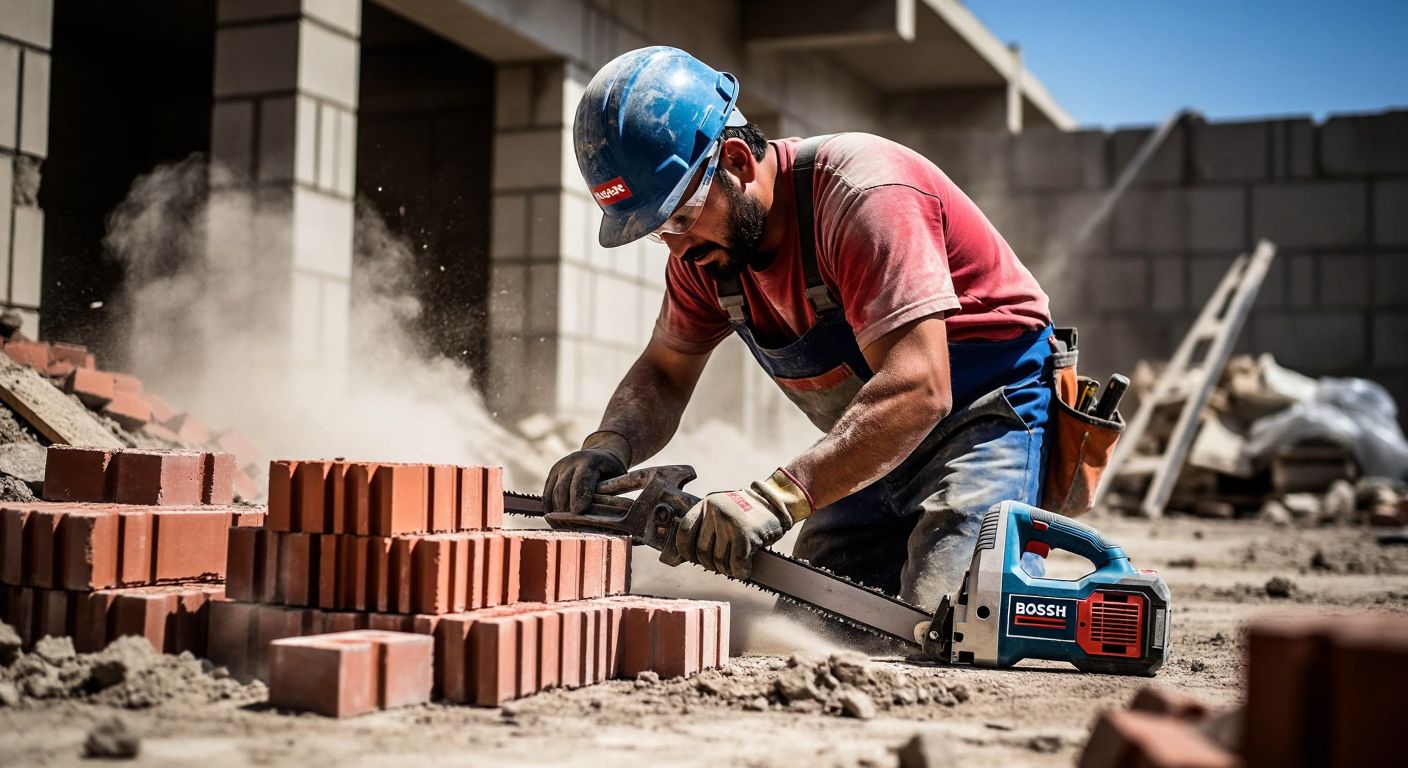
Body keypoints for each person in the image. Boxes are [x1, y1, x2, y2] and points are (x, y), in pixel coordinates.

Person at [544, 46, 1054, 610]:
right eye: (658, 232)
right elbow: (665, 372)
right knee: (817, 620)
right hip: (869, 442)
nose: (677, 247)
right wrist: (609, 445)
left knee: (953, 619)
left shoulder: (863, 198)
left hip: (980, 419)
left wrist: (775, 499)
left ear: (737, 162)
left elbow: (920, 388)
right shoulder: (704, 256)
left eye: (681, 218)